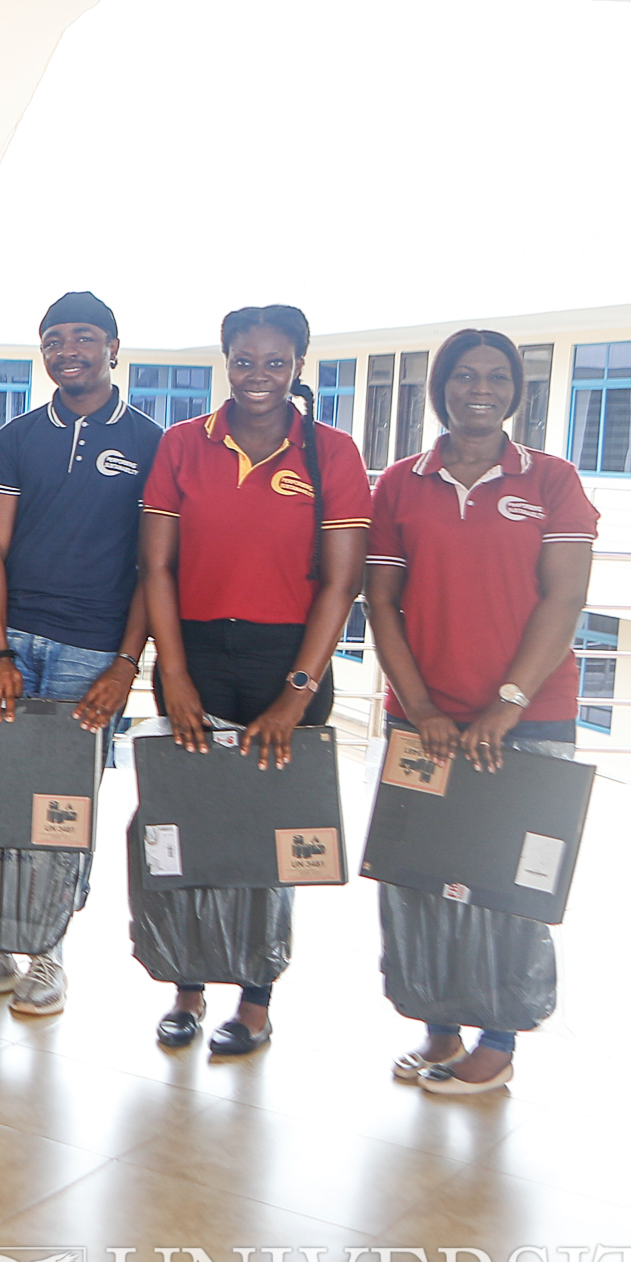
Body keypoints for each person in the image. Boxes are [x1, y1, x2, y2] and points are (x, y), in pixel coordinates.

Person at [134, 304, 371, 1056]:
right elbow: (157, 566)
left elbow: (343, 585)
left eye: (275, 361)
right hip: (194, 652)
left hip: (287, 662)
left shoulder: (331, 454)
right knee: (189, 823)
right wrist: (172, 673)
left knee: (271, 840)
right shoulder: (182, 444)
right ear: (226, 360)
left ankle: (257, 1000)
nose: (258, 375)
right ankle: (188, 987)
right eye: (244, 359)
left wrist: (296, 692)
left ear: (298, 364)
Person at [365, 329, 597, 1096]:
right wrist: (423, 707)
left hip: (528, 720)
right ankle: (440, 1027)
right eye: (464, 375)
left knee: (508, 883)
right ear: (441, 387)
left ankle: (496, 1042)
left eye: (497, 376)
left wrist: (507, 704)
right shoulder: (401, 482)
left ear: (516, 390)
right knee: (418, 875)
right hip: (421, 720)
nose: (480, 388)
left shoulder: (553, 480)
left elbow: (564, 599)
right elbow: (383, 602)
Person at [0, 290, 162, 1014]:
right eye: (54, 340)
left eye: (83, 338)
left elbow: (153, 570)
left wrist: (126, 665)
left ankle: (48, 954)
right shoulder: (16, 438)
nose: (67, 351)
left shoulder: (151, 443)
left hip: (92, 650)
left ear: (112, 347)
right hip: (9, 641)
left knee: (62, 806)